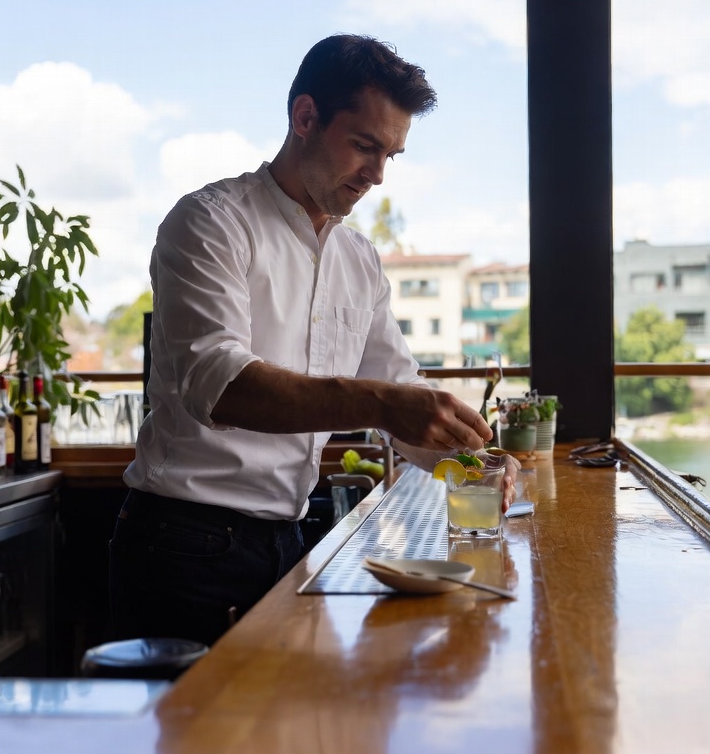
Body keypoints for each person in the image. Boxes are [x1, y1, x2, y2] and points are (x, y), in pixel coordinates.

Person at [110, 34, 519, 646]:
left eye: (391, 156)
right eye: (364, 146)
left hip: (289, 539)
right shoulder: (210, 222)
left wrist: (474, 463)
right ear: (305, 117)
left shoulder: (360, 259)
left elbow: (403, 396)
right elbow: (217, 384)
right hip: (183, 547)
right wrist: (380, 403)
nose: (378, 175)